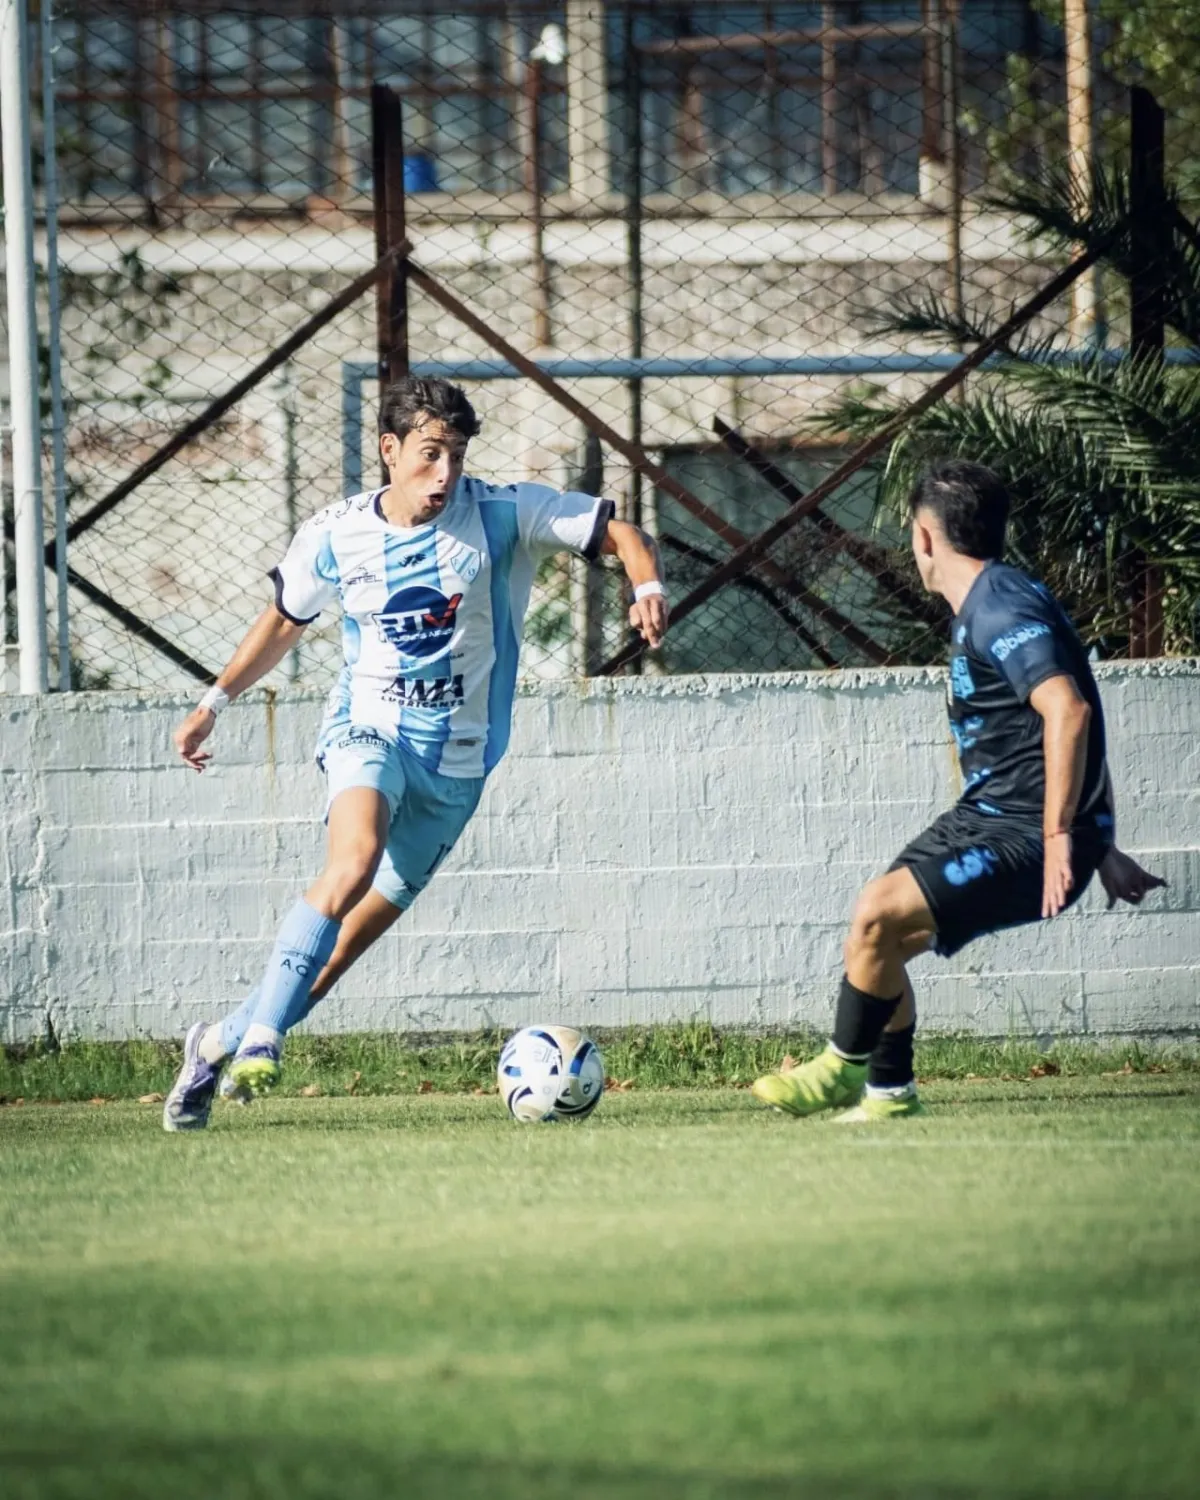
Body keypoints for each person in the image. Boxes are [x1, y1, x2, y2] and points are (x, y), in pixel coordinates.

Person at [163, 375, 668, 1131]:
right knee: (352, 859)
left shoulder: (502, 513)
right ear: (390, 450)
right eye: (431, 455)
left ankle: (212, 1043)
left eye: (456, 456)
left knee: (330, 964)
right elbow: (281, 621)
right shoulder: (335, 532)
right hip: (368, 732)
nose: (445, 474)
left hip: (458, 768)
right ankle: (264, 1040)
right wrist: (212, 704)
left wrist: (647, 583)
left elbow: (622, 534)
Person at [752, 459, 1166, 1123]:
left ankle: (838, 1071)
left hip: (1026, 832)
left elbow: (1068, 710)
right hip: (989, 816)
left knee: (877, 913)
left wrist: (1068, 836)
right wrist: (1103, 842)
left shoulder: (1000, 606)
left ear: (923, 537)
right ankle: (888, 1096)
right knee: (873, 938)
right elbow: (1069, 709)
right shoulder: (996, 599)